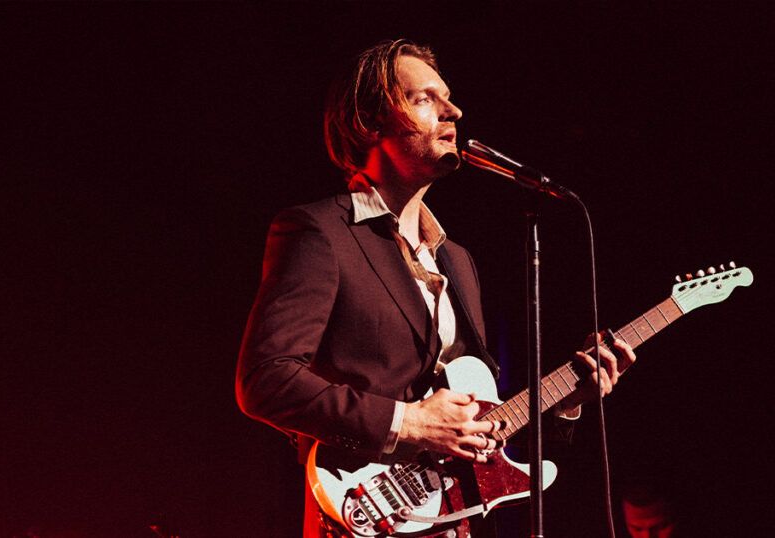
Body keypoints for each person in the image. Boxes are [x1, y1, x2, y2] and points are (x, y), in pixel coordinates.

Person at [235, 39, 636, 538]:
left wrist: (567, 402)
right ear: (369, 122)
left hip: (451, 523)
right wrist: (409, 423)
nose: (454, 110)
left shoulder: (457, 261)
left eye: (446, 97)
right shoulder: (321, 232)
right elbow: (266, 382)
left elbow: (479, 423)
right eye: (424, 99)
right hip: (362, 514)